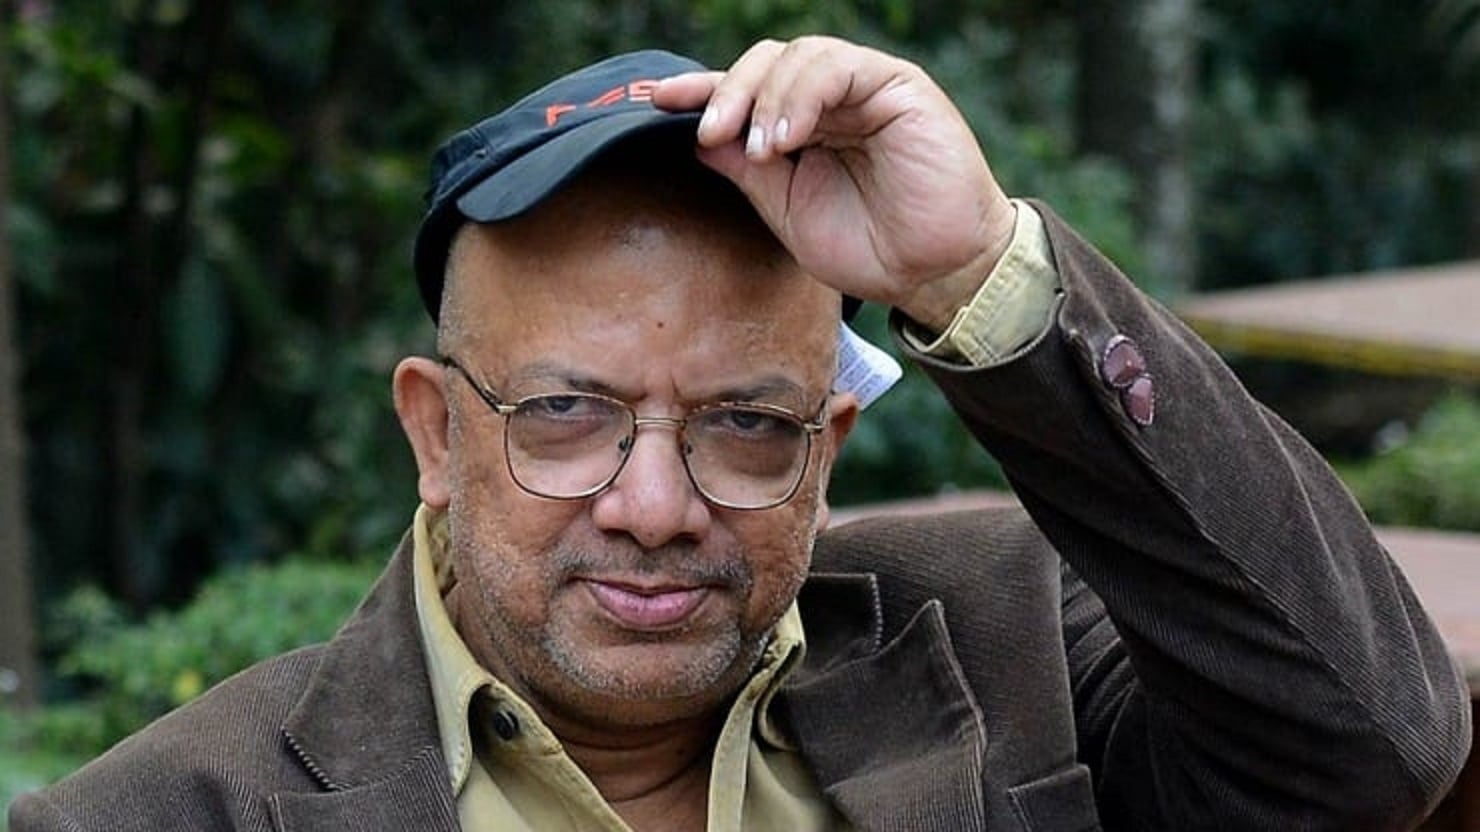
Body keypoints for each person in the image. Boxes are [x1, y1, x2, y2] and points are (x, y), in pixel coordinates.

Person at [10, 36, 1472, 832]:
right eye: (565, 415)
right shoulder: (166, 815)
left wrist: (978, 268)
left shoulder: (1016, 634)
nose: (654, 506)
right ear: (436, 435)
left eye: (747, 425)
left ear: (829, 444)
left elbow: (1371, 750)